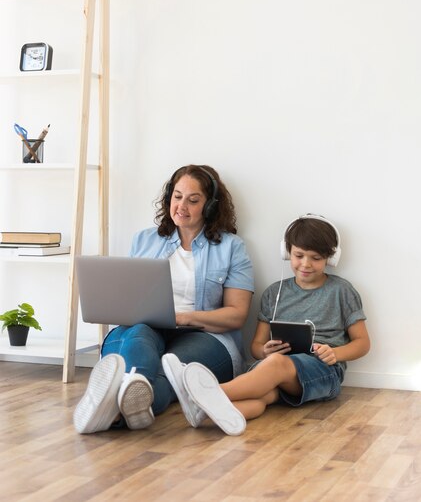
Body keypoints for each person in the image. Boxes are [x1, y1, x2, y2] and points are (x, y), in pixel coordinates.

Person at [74, 164, 254, 434]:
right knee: (137, 333)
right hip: (145, 330)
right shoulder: (145, 240)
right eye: (177, 196)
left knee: (173, 373)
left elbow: (236, 314)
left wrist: (184, 317)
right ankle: (129, 402)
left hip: (206, 336)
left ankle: (110, 407)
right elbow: (129, 297)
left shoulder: (231, 247)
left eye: (193, 200)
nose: (182, 205)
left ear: (210, 206)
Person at [161, 214, 370, 436]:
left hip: (323, 370)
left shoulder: (342, 291)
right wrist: (264, 350)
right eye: (299, 255)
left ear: (330, 257)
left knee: (275, 363)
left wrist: (335, 354)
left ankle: (201, 392)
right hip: (277, 371)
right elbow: (257, 347)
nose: (306, 264)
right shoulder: (274, 293)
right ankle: (202, 413)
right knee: (262, 396)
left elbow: (362, 343)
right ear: (287, 252)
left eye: (316, 258)